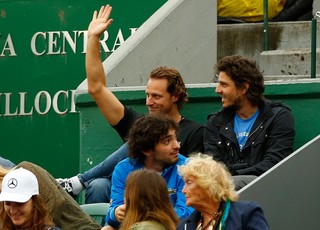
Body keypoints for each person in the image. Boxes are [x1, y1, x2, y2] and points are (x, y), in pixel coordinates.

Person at [57, 4, 204, 203]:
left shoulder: (194, 132)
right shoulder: (137, 122)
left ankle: (79, 181)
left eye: (157, 97)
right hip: (126, 196)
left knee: (138, 138)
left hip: (167, 195)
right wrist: (93, 39)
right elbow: (96, 88)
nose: (149, 102)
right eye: (147, 95)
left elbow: (190, 177)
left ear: (175, 96)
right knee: (99, 185)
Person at [204, 55, 295, 190]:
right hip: (222, 192)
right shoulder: (215, 122)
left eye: (224, 84)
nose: (217, 90)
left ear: (244, 88)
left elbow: (274, 163)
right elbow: (213, 166)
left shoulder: (278, 117)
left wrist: (234, 174)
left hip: (266, 189)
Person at [104, 115, 194, 229]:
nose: (177, 146)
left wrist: (147, 216)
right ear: (146, 150)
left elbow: (186, 213)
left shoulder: (186, 167)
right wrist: (116, 213)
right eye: (167, 141)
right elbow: (111, 216)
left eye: (176, 139)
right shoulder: (123, 169)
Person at [177, 153, 270, 230]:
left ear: (208, 184)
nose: (183, 190)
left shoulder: (246, 213)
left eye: (189, 182)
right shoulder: (184, 226)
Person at [0, 162, 101, 230]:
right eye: (8, 203)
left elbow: (57, 202)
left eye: (19, 203)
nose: (13, 210)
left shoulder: (26, 171)